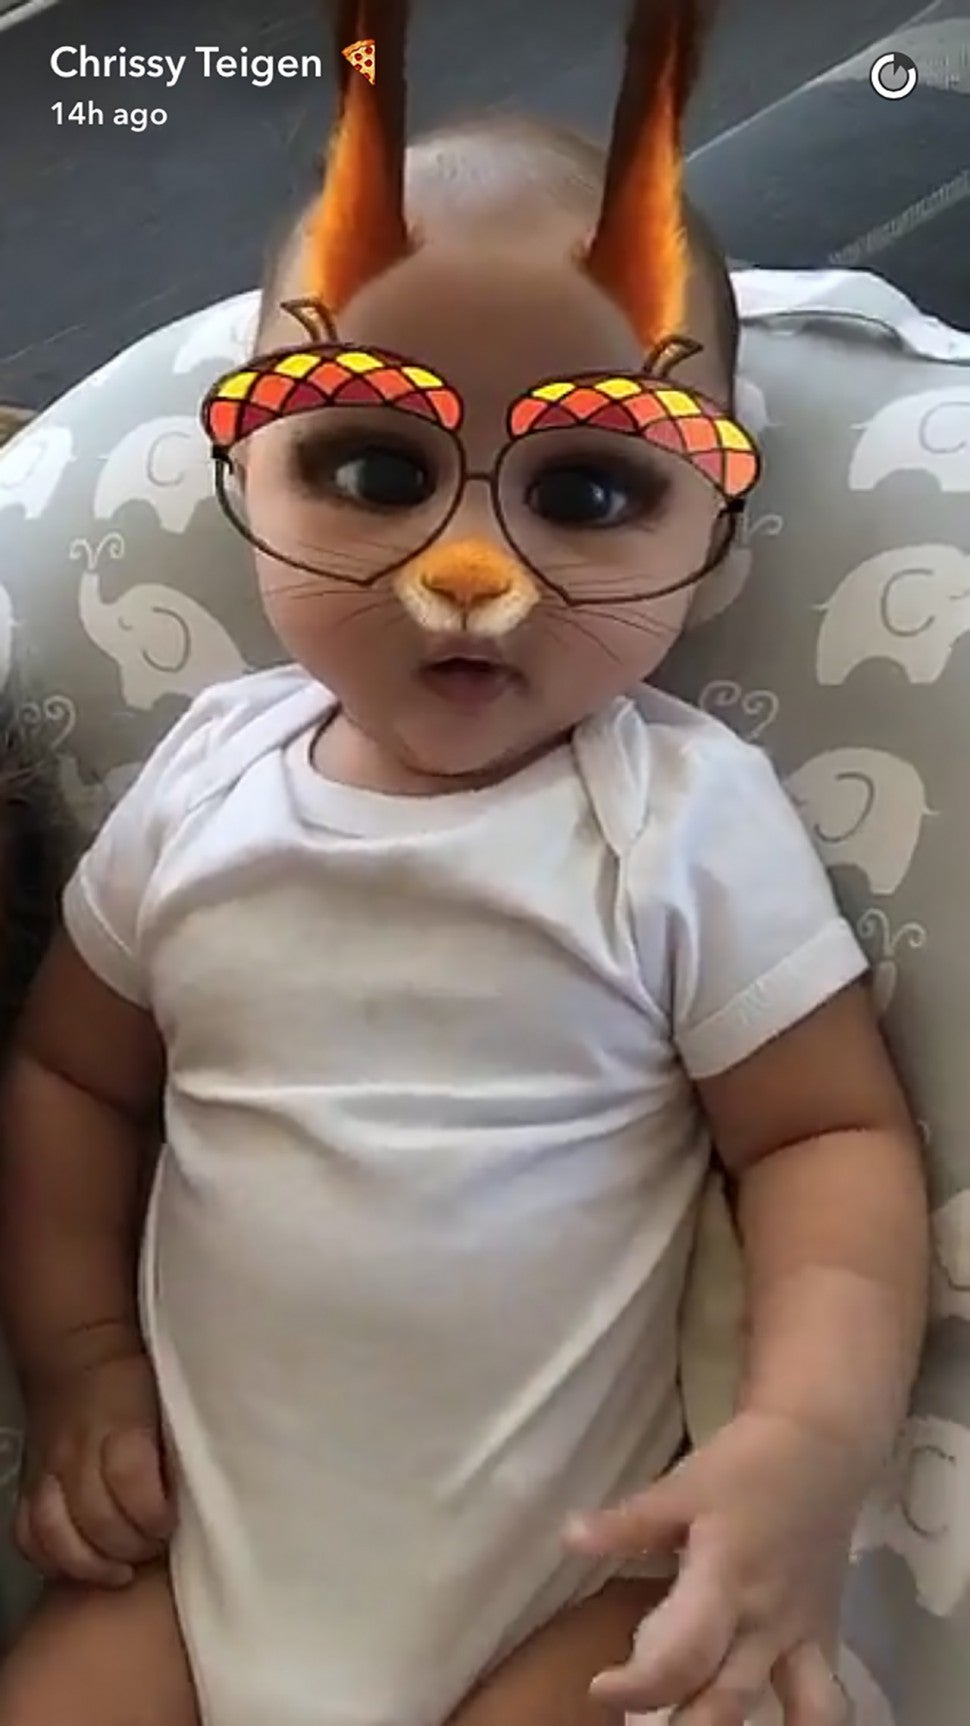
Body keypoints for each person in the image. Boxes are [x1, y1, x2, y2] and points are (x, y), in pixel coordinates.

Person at [0, 3, 928, 1724]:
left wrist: (806, 1441)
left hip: (562, 1592)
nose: (469, 568)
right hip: (195, 1573)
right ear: (245, 467)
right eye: (372, 467)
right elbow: (69, 1077)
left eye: (587, 493)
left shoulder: (678, 816)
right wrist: (78, 1361)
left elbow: (823, 1137)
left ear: (711, 527)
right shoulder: (200, 784)